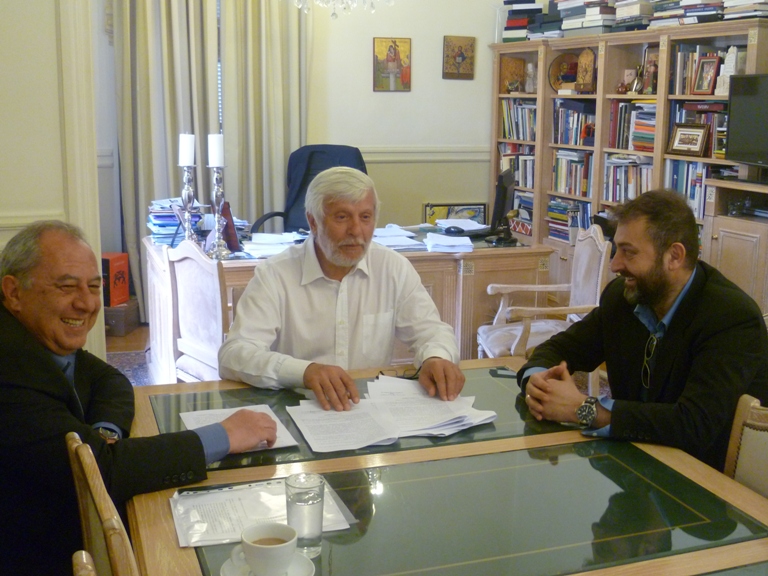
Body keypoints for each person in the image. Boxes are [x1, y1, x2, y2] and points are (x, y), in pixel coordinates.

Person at [0, 221, 277, 575]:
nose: (86, 303)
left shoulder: (33, 337)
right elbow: (99, 472)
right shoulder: (9, 368)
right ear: (14, 292)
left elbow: (110, 378)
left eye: (93, 286)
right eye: (66, 286)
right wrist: (223, 435)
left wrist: (104, 433)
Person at [518, 190, 768, 471]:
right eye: (616, 249)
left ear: (674, 256)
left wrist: (584, 409)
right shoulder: (622, 298)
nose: (614, 265)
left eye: (629, 252)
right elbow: (560, 348)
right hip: (631, 463)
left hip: (702, 478)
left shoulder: (731, 318)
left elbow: (694, 424)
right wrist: (537, 382)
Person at [219, 166, 464, 411]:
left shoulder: (392, 267)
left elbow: (431, 331)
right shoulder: (275, 274)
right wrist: (304, 372)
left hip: (367, 408)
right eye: (342, 217)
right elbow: (234, 354)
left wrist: (436, 357)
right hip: (296, 407)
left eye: (365, 217)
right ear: (313, 222)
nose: (356, 231)